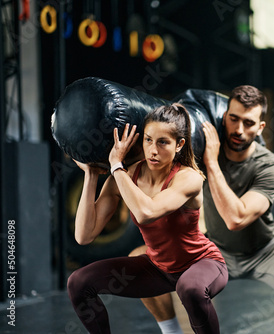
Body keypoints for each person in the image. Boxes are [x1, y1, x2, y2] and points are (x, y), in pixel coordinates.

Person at [132, 85, 274, 334]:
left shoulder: (270, 165)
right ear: (224, 117)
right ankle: (171, 332)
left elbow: (237, 218)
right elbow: (160, 138)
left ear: (260, 127)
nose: (238, 130)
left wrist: (212, 164)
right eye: (233, 119)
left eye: (248, 123)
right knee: (139, 259)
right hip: (210, 248)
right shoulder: (198, 150)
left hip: (263, 248)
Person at [67, 104, 228, 334]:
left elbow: (147, 212)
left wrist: (116, 166)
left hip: (202, 264)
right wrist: (91, 175)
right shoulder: (126, 175)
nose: (153, 150)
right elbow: (84, 235)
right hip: (158, 268)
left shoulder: (188, 178)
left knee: (189, 288)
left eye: (163, 142)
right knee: (78, 282)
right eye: (148, 140)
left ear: (179, 144)